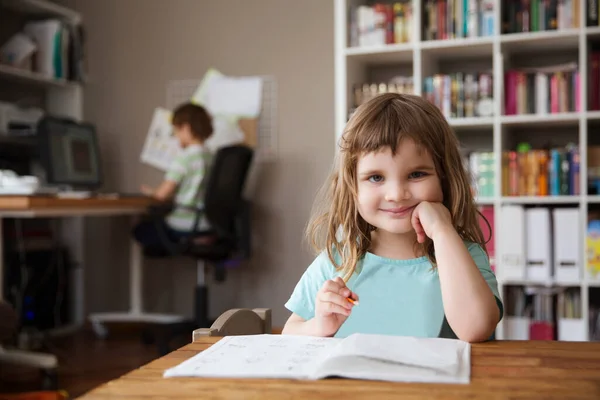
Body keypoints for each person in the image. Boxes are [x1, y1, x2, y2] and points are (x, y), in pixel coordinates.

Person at [282, 93, 502, 342]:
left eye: (417, 174)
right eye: (376, 177)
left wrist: (442, 231)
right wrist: (319, 326)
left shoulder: (463, 254)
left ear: (444, 178)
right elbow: (291, 331)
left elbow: (476, 329)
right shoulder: (336, 262)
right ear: (352, 186)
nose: (396, 194)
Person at [133, 102, 214, 248]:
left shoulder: (184, 157)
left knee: (140, 230)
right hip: (207, 224)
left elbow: (161, 196)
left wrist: (154, 192)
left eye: (176, 131)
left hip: (184, 224)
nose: (175, 136)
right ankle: (195, 240)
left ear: (186, 128)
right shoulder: (211, 157)